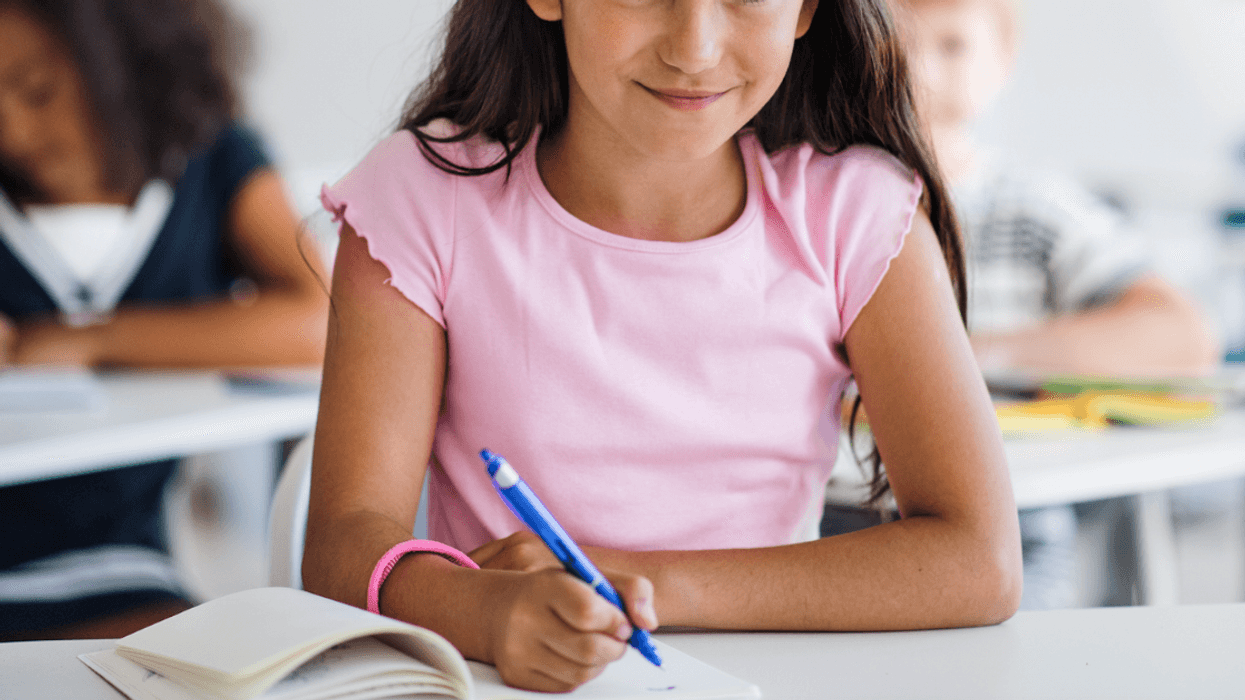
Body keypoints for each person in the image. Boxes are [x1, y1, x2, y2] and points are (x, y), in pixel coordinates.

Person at [305, 0, 1023, 693]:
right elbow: (341, 544)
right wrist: (482, 612)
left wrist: (629, 584)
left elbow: (978, 559)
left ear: (807, 9)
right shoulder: (421, 197)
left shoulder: (857, 214)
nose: (694, 48)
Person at [0, 0, 328, 639]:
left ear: (120, 63)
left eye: (35, 90)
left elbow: (321, 320)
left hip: (122, 567)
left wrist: (85, 342)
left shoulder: (211, 159)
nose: (8, 123)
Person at [888, 0, 1221, 609]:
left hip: (1016, 535)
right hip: (846, 521)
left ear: (1003, 59)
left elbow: (1181, 335)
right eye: (894, 43)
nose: (920, 72)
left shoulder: (1033, 207)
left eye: (952, 46)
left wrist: (965, 359)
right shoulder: (820, 202)